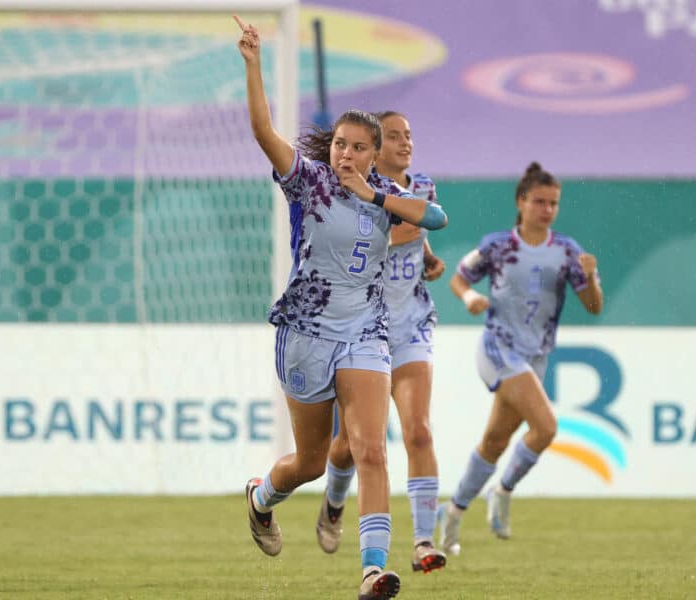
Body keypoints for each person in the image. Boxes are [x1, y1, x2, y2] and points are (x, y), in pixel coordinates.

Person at [233, 17, 447, 600]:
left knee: (372, 447)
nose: (345, 154)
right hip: (305, 331)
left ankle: (372, 570)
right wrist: (253, 64)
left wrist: (375, 196)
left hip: (365, 333)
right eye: (339, 145)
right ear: (330, 149)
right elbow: (262, 130)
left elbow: (436, 218)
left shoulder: (386, 198)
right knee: (307, 462)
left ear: (374, 155)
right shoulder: (308, 182)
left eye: (358, 147)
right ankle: (261, 499)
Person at [437, 162, 602, 555]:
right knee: (545, 428)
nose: (547, 210)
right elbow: (459, 277)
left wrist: (591, 278)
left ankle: (453, 513)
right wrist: (470, 297)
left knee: (495, 441)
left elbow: (593, 306)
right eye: (539, 201)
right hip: (498, 348)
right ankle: (503, 490)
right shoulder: (499, 245)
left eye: (554, 203)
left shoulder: (567, 252)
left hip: (535, 356)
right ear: (521, 202)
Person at [317, 111, 448, 574]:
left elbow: (424, 231)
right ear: (374, 147)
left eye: (409, 135)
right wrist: (391, 240)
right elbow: (343, 250)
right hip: (362, 329)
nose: (405, 143)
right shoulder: (349, 192)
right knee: (349, 447)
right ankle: (333, 502)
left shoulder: (424, 188)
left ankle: (423, 542)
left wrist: (427, 257)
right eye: (394, 136)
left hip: (410, 324)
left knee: (419, 429)